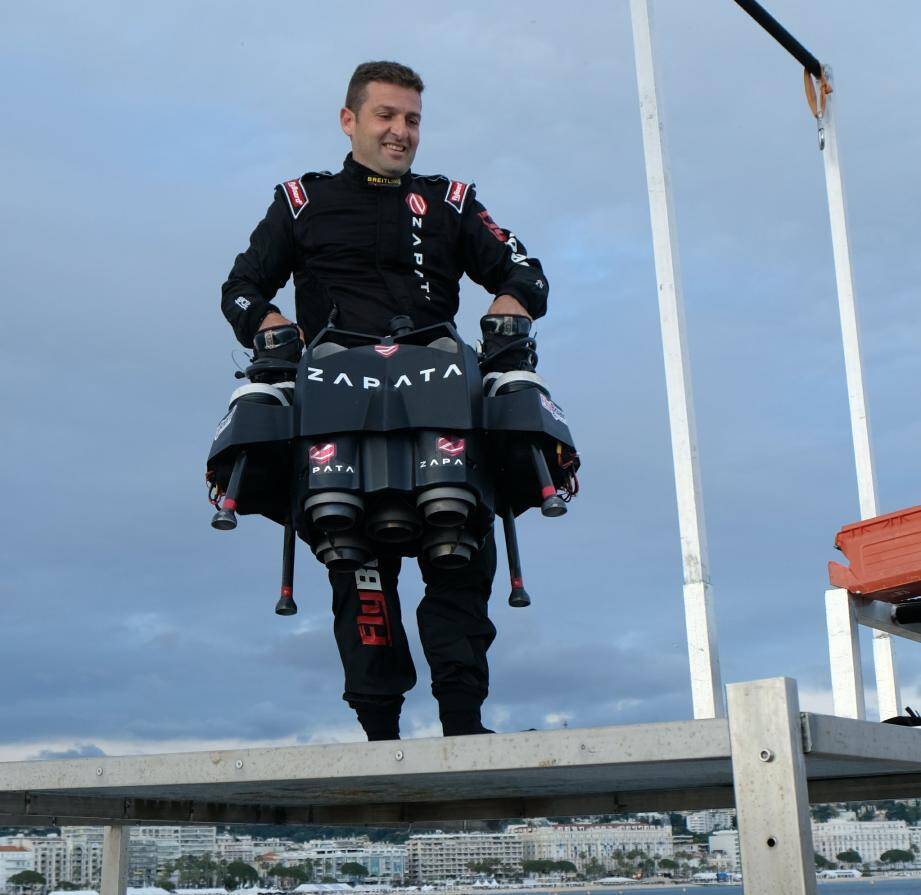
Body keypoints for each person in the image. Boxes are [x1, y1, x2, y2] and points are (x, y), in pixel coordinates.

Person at [221, 61, 548, 740]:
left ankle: (462, 724)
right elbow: (242, 285)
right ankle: (380, 736)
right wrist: (267, 323)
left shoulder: (451, 201)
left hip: (438, 395)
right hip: (336, 397)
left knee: (457, 555)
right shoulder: (299, 201)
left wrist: (512, 297)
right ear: (350, 120)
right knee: (356, 567)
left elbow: (522, 267)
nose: (400, 132)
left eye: (412, 120)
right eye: (386, 116)